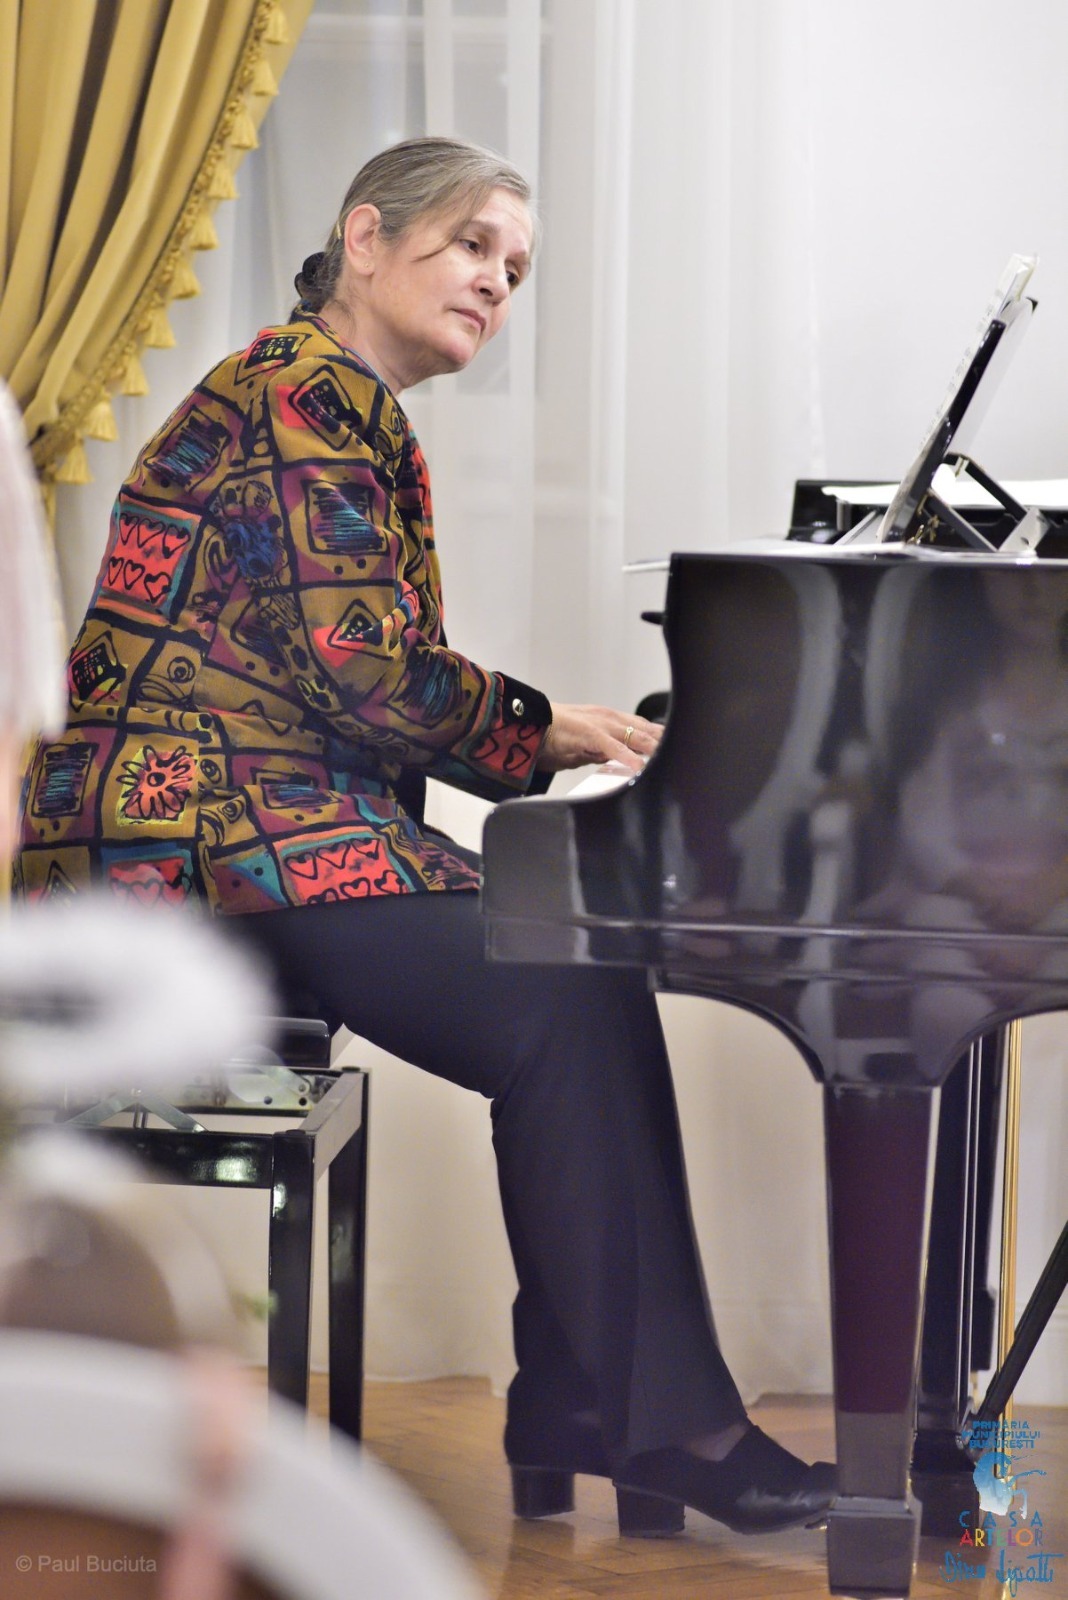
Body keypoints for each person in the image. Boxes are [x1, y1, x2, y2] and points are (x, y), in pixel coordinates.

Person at [16, 136, 835, 1537]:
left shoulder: (313, 393)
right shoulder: (308, 393)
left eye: (515, 269)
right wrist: (550, 729)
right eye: (472, 245)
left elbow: (337, 678)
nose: (497, 282)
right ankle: (647, 1422)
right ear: (366, 239)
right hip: (191, 856)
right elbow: (367, 671)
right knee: (565, 985)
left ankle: (593, 1402)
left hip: (228, 838)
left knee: (572, 971)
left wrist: (533, 750)